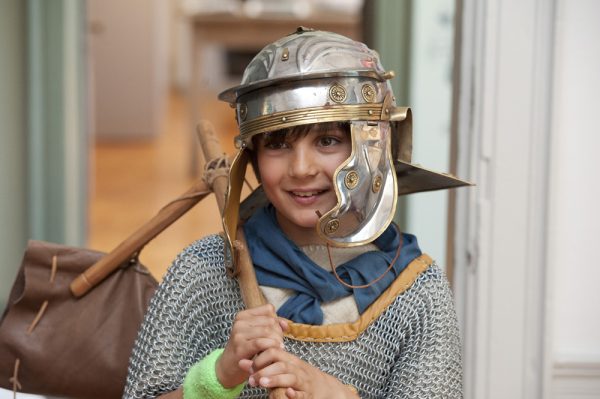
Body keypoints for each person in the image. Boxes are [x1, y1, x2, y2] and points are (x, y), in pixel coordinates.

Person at [123, 27, 469, 399]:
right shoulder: (204, 272)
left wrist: (335, 395)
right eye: (277, 144)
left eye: (327, 140)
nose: (301, 168)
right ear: (252, 157)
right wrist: (215, 379)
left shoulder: (416, 291)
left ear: (374, 145)